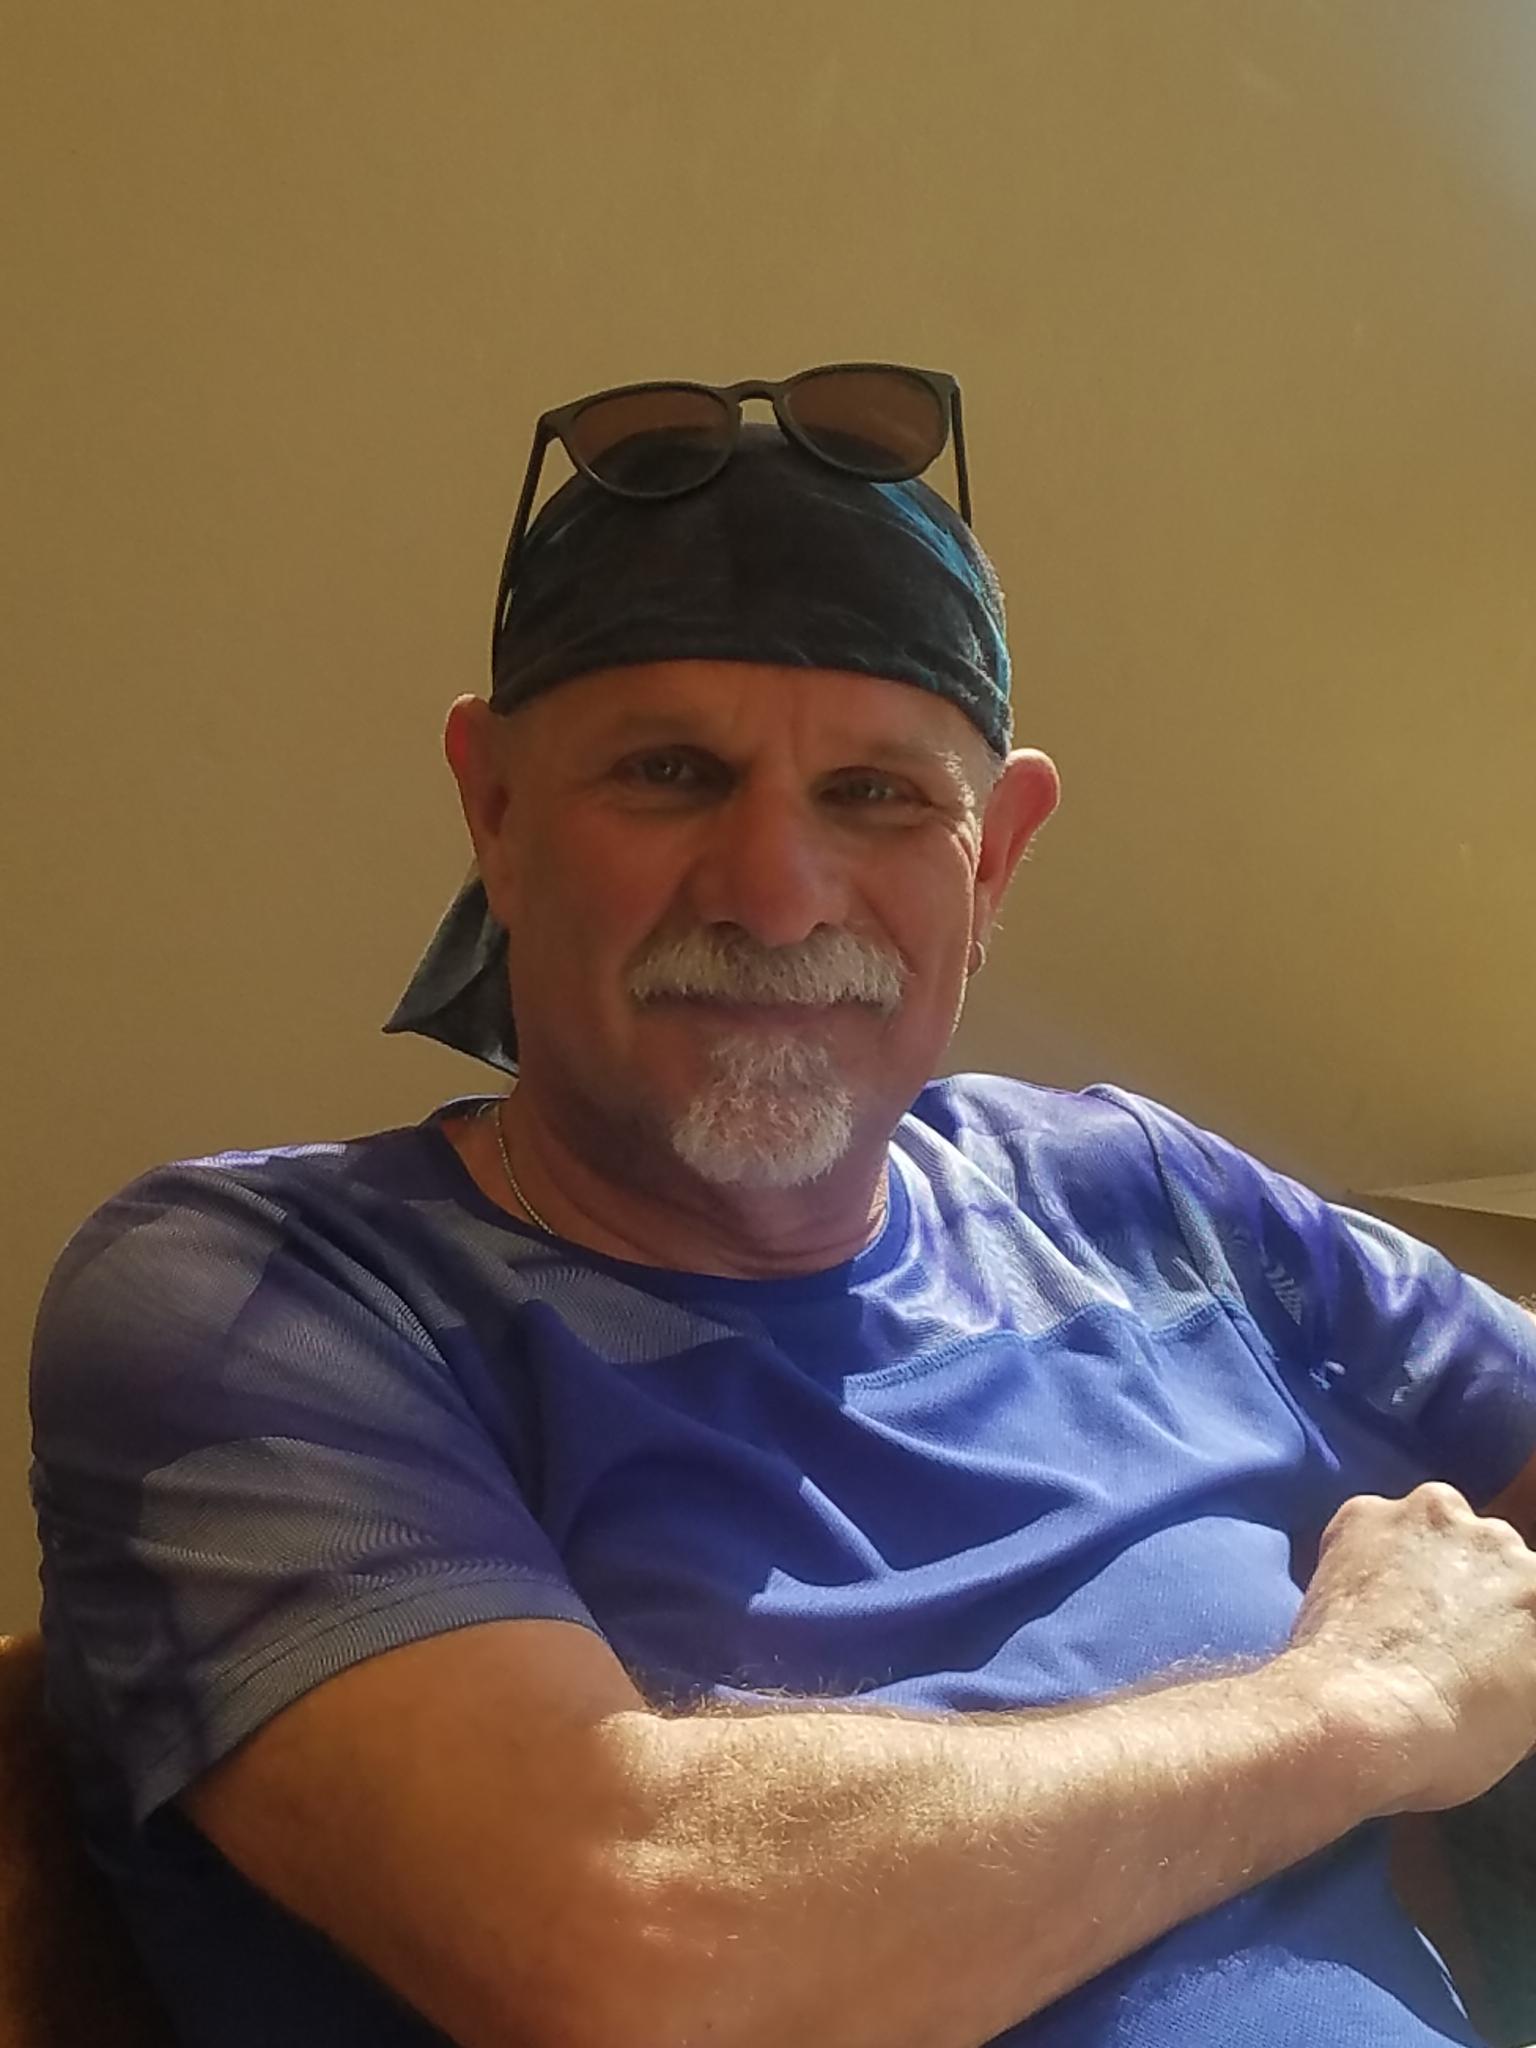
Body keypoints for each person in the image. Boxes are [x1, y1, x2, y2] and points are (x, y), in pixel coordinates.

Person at [28, 364, 1536, 2048]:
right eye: (671, 771)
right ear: (496, 814)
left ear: (995, 858)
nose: (772, 893)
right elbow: (644, 1952)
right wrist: (1361, 1710)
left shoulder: (1139, 1198)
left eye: (878, 795)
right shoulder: (271, 1301)